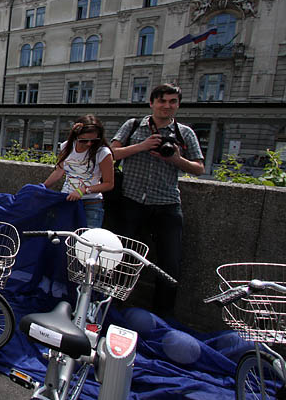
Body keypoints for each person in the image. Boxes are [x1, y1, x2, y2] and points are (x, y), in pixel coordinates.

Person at [110, 83, 204, 317]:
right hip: (131, 201)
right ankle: (113, 308)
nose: (167, 106)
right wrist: (141, 146)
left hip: (167, 204)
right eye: (162, 101)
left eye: (172, 102)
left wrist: (176, 160)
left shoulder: (185, 133)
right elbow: (111, 153)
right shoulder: (132, 126)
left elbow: (199, 168)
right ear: (152, 103)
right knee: (123, 258)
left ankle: (163, 317)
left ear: (178, 105)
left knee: (169, 264)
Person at [43, 115, 114, 228]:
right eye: (84, 140)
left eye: (94, 140)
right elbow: (59, 171)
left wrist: (84, 190)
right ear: (76, 137)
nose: (89, 144)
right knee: (63, 237)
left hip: (91, 203)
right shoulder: (66, 146)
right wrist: (43, 187)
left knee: (87, 240)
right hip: (67, 198)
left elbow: (109, 184)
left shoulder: (103, 152)